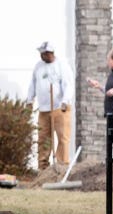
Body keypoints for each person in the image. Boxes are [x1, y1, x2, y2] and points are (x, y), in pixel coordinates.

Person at [27, 41, 74, 170]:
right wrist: (30, 100)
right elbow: (33, 84)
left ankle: (62, 166)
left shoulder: (62, 66)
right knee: (43, 139)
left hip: (60, 107)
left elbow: (68, 85)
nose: (41, 56)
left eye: (44, 53)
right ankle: (43, 168)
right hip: (44, 110)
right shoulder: (38, 66)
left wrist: (65, 100)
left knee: (63, 138)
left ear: (50, 53)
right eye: (41, 53)